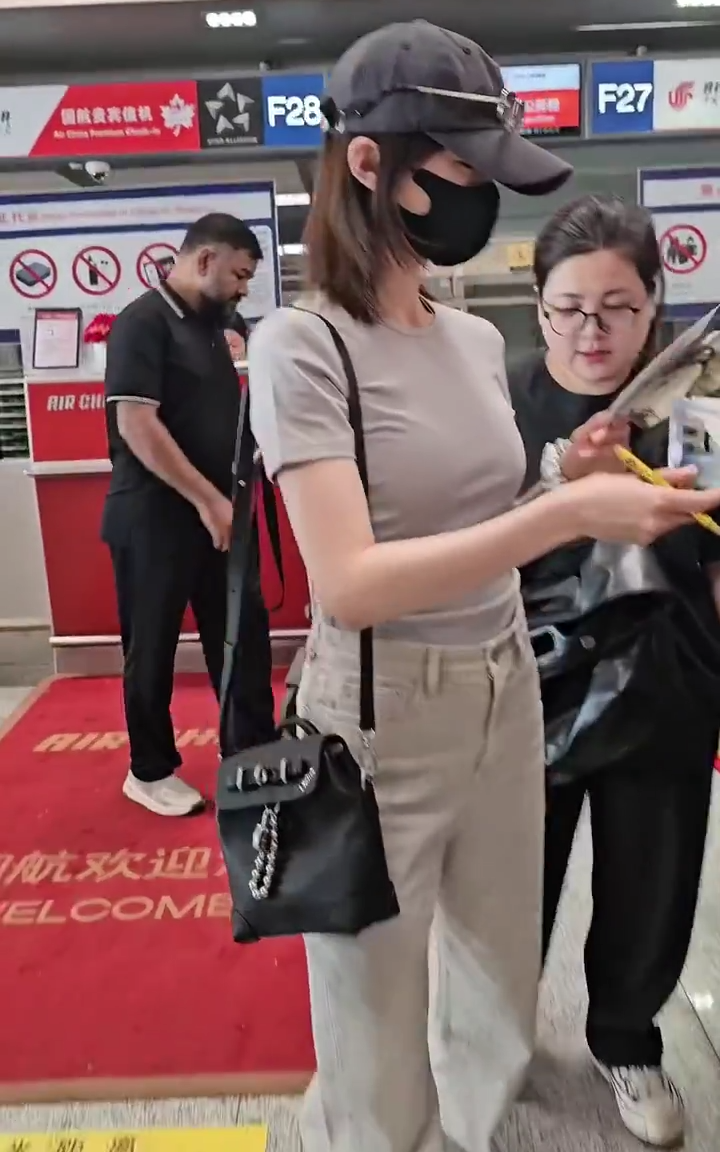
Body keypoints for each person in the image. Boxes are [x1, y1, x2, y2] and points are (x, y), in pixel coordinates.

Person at [247, 24, 720, 1152]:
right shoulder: (303, 345)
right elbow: (353, 583)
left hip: (508, 694)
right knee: (375, 1031)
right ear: (373, 165)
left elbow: (488, 507)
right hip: (384, 712)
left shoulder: (465, 338)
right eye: (465, 169)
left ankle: (465, 1128)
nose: (483, 198)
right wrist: (564, 517)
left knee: (496, 996)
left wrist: (568, 474)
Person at [509, 193, 720, 1148]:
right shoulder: (499, 406)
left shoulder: (696, 409)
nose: (592, 332)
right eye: (569, 309)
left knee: (653, 879)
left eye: (618, 308)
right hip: (527, 684)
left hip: (668, 677)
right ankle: (492, 1037)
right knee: (509, 887)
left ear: (655, 302)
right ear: (539, 308)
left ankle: (627, 1041)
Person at [101, 212, 275, 817]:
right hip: (154, 518)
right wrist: (208, 499)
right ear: (205, 261)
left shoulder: (210, 327)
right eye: (239, 275)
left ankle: (249, 750)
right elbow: (136, 425)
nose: (243, 289)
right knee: (151, 648)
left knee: (242, 634)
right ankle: (149, 772)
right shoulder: (142, 323)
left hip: (218, 515)